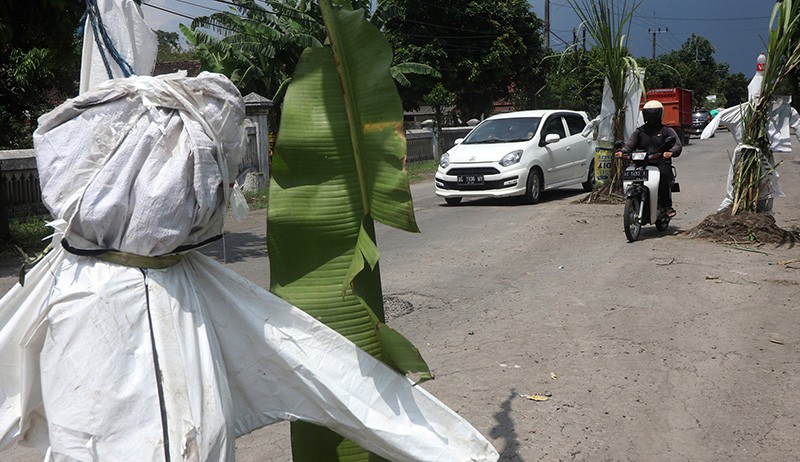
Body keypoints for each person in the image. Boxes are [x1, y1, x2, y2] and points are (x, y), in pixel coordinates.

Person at [615, 100, 683, 217]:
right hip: (642, 163)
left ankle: (667, 206)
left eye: (654, 112)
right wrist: (622, 152)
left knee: (663, 178)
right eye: (649, 112)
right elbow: (630, 144)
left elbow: (677, 144)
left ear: (660, 113)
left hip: (660, 163)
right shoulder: (640, 131)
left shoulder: (666, 130)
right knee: (633, 178)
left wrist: (670, 152)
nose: (651, 115)